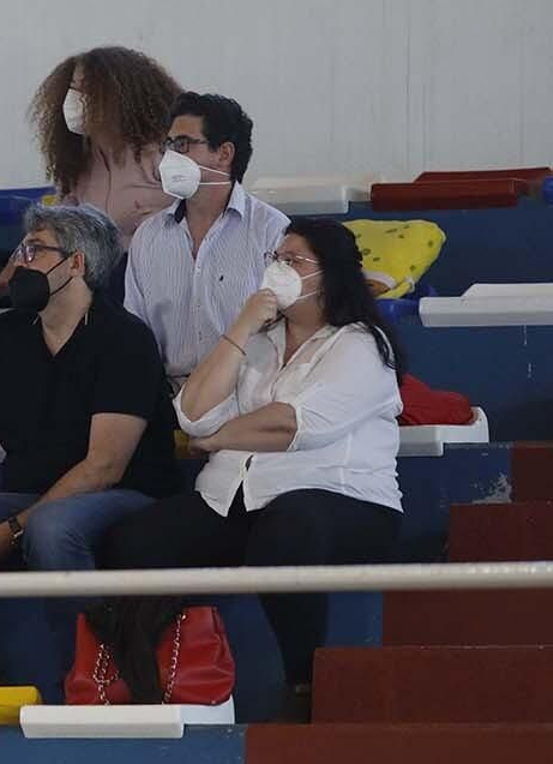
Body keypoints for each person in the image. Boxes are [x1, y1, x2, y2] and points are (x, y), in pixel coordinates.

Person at [102, 219, 406, 720]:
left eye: (294, 261)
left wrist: (218, 439)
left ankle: (304, 684)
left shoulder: (362, 344)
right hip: (238, 497)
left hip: (343, 501)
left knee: (288, 529)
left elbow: (298, 425)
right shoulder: (259, 344)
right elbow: (192, 413)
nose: (278, 269)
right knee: (135, 540)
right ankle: (142, 682)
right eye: (275, 259)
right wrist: (241, 328)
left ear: (330, 274)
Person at [0, 204, 177, 685]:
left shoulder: (125, 338)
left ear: (77, 263)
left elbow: (103, 467)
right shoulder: (4, 334)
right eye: (21, 250)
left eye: (35, 251)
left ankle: (92, 680)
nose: (18, 263)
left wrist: (7, 532)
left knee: (51, 527)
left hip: (123, 496)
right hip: (30, 496)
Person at [0, 47, 181, 308]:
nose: (74, 99)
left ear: (118, 98)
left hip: (155, 280)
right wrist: (4, 281)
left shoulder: (160, 153)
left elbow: (205, 212)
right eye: (72, 88)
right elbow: (49, 227)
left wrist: (163, 220)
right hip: (97, 280)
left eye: (86, 90)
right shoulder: (78, 163)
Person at [124, 93, 289, 384]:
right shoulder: (148, 237)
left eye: (182, 145)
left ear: (224, 154)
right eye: (168, 145)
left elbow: (287, 330)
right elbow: (135, 335)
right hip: (169, 394)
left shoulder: (272, 231)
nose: (169, 157)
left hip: (247, 393)